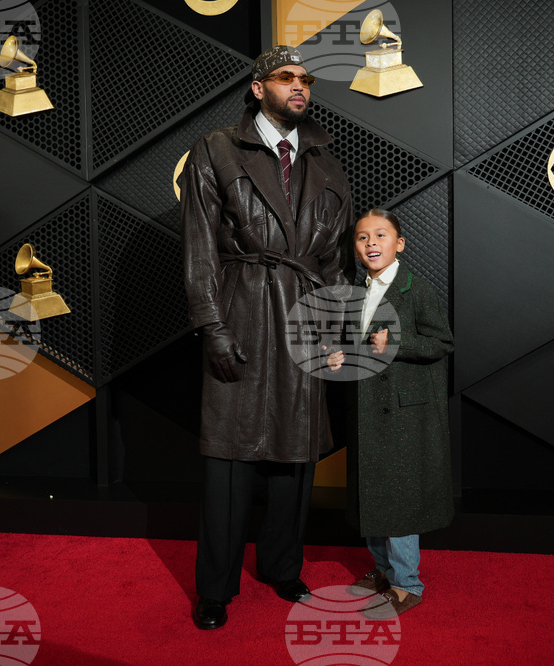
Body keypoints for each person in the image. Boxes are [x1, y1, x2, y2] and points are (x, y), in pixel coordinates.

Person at [180, 45, 353, 630]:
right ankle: (215, 588)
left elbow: (334, 259)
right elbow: (200, 249)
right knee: (230, 457)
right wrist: (212, 327)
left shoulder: (326, 159)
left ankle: (282, 567)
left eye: (305, 79)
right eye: (286, 78)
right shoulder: (216, 149)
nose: (299, 87)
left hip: (305, 314)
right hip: (243, 307)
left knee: (294, 457)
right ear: (259, 87)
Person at [343, 208, 455, 618]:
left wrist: (398, 343)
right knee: (372, 495)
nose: (371, 243)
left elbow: (442, 343)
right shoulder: (355, 291)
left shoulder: (416, 288)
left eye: (380, 235)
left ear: (399, 244)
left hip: (404, 416)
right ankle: (383, 571)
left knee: (400, 501)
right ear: (355, 249)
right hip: (367, 409)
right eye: (362, 237)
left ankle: (408, 585)